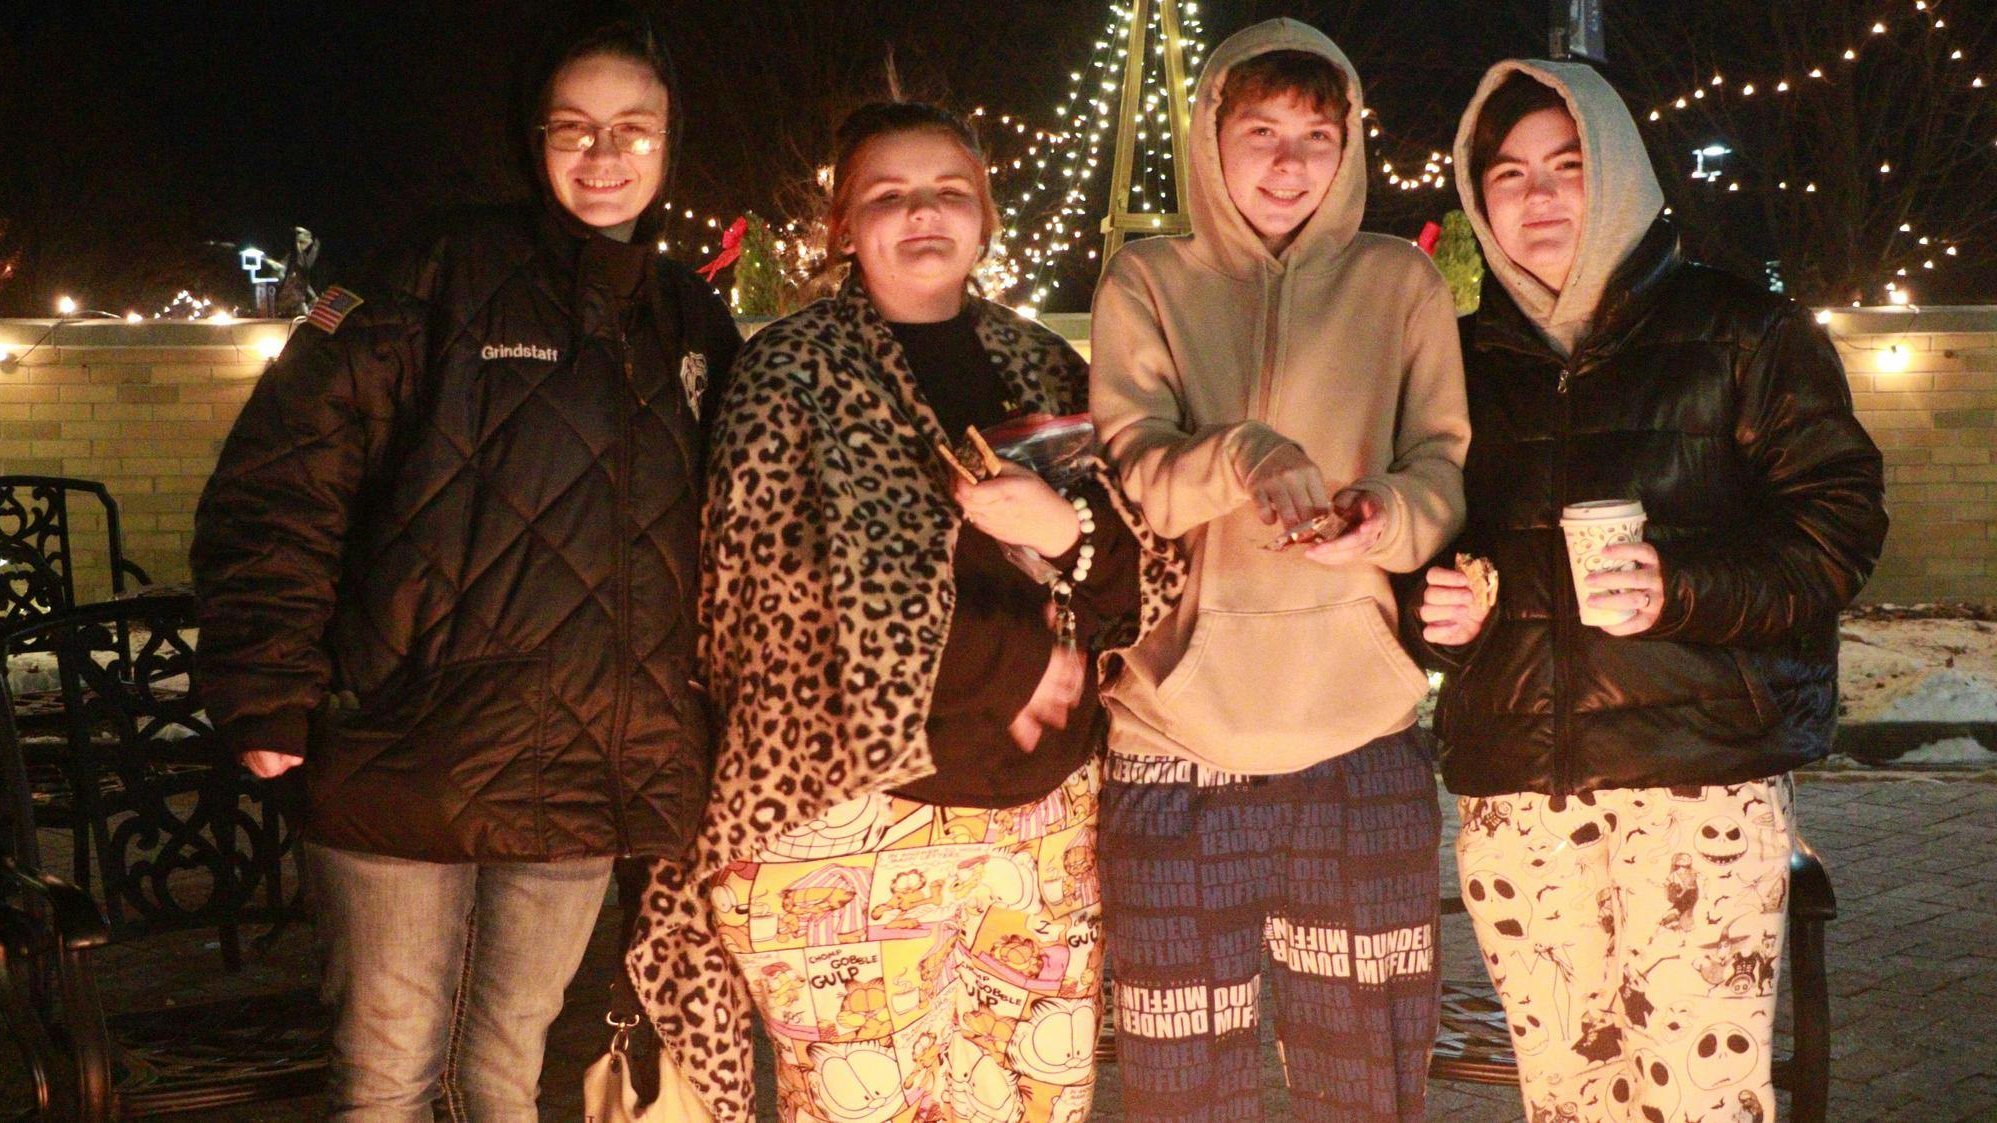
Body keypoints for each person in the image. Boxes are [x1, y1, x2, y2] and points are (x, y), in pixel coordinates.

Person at [189, 7, 740, 1118]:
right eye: (573, 126)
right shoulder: (438, 271)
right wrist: (267, 685)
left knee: (506, 1066)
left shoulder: (688, 320)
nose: (603, 153)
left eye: (633, 128)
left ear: (669, 143)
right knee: (384, 1073)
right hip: (409, 746)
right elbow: (284, 474)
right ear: (530, 138)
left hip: (588, 765)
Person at [626, 101, 1161, 1123]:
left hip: (1038, 827)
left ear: (986, 216)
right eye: (887, 195)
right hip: (849, 820)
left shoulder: (1045, 366)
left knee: (1031, 1107)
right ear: (841, 224)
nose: (922, 214)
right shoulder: (784, 373)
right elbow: (748, 616)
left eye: (948, 192)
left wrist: (1063, 535)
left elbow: (1129, 585)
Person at [1409, 60, 1887, 1123]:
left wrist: (1681, 587)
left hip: (1698, 789)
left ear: (1619, 172)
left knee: (1701, 1100)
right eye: (1508, 174)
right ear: (1475, 195)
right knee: (1565, 1098)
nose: (1536, 197)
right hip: (1520, 795)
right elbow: (1415, 551)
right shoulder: (1452, 362)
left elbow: (1838, 527)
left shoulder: (1744, 333)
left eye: (1566, 166)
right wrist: (1436, 609)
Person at [1088, 18, 1469, 1122]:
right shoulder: (1147, 279)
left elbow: (1441, 465)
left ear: (1348, 145)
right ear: (1209, 138)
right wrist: (1246, 453)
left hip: (1355, 734)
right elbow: (1138, 479)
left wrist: (1384, 519)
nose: (1289, 160)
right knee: (1181, 1088)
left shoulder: (1398, 281)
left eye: (1317, 132)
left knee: (1366, 1079)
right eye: (1259, 131)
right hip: (1172, 737)